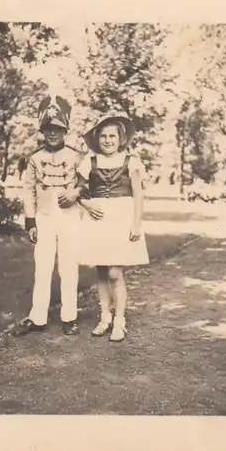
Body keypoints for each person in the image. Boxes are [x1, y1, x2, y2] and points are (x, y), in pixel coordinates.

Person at [13, 94, 84, 337]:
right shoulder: (34, 158)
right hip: (44, 217)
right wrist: (30, 221)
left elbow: (88, 182)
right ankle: (38, 317)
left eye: (58, 129)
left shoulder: (76, 157)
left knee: (68, 266)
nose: (53, 133)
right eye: (49, 129)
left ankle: (69, 317)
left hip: (70, 216)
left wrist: (75, 192)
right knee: (42, 267)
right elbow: (28, 190)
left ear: (65, 131)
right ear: (43, 131)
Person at [77, 113, 150, 342]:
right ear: (97, 139)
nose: (108, 140)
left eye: (112, 136)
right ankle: (104, 317)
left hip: (121, 218)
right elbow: (79, 192)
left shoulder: (132, 161)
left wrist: (136, 223)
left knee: (114, 273)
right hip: (98, 219)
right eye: (103, 136)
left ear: (121, 139)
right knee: (101, 271)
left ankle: (119, 321)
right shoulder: (90, 161)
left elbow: (138, 194)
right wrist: (87, 205)